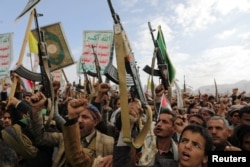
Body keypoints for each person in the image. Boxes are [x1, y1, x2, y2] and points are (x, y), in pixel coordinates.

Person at [62, 98, 114, 167]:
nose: (79, 120)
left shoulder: (109, 143)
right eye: (76, 117)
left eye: (85, 117)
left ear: (95, 122)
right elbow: (42, 138)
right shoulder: (65, 137)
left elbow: (76, 159)